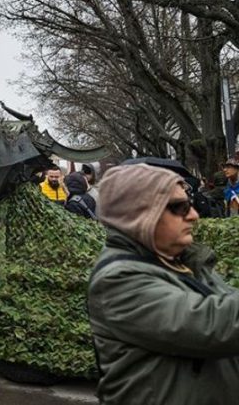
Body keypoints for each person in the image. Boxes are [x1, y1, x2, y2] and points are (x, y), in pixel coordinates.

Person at [88, 163, 239, 404]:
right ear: (140, 214)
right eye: (179, 207)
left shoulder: (184, 260)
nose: (193, 215)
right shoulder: (117, 280)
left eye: (189, 204)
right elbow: (213, 324)